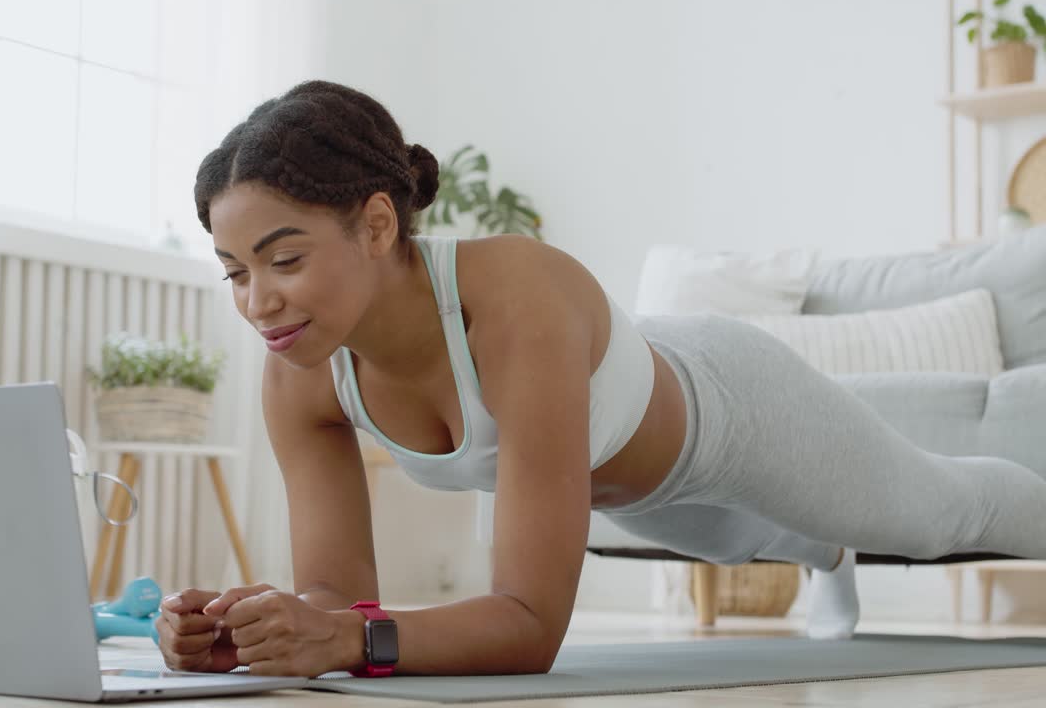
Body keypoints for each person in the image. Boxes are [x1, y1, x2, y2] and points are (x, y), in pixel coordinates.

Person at [154, 79, 1046, 678]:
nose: (259, 302)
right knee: (755, 540)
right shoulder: (302, 370)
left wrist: (345, 636)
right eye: (235, 272)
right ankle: (824, 550)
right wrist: (258, 629)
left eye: (284, 260)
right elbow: (334, 603)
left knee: (938, 516)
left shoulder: (516, 297)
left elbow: (529, 626)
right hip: (626, 480)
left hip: (726, 406)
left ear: (379, 225)